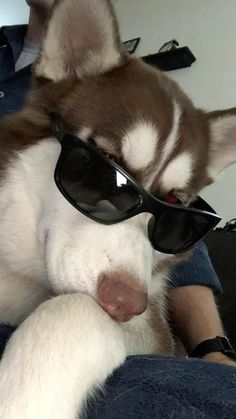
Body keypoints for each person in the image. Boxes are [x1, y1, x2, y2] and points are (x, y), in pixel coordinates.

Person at [0, 0, 236, 408]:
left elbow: (177, 241)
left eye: (168, 200)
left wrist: (210, 346)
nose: (131, 290)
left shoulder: (131, 90)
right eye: (109, 169)